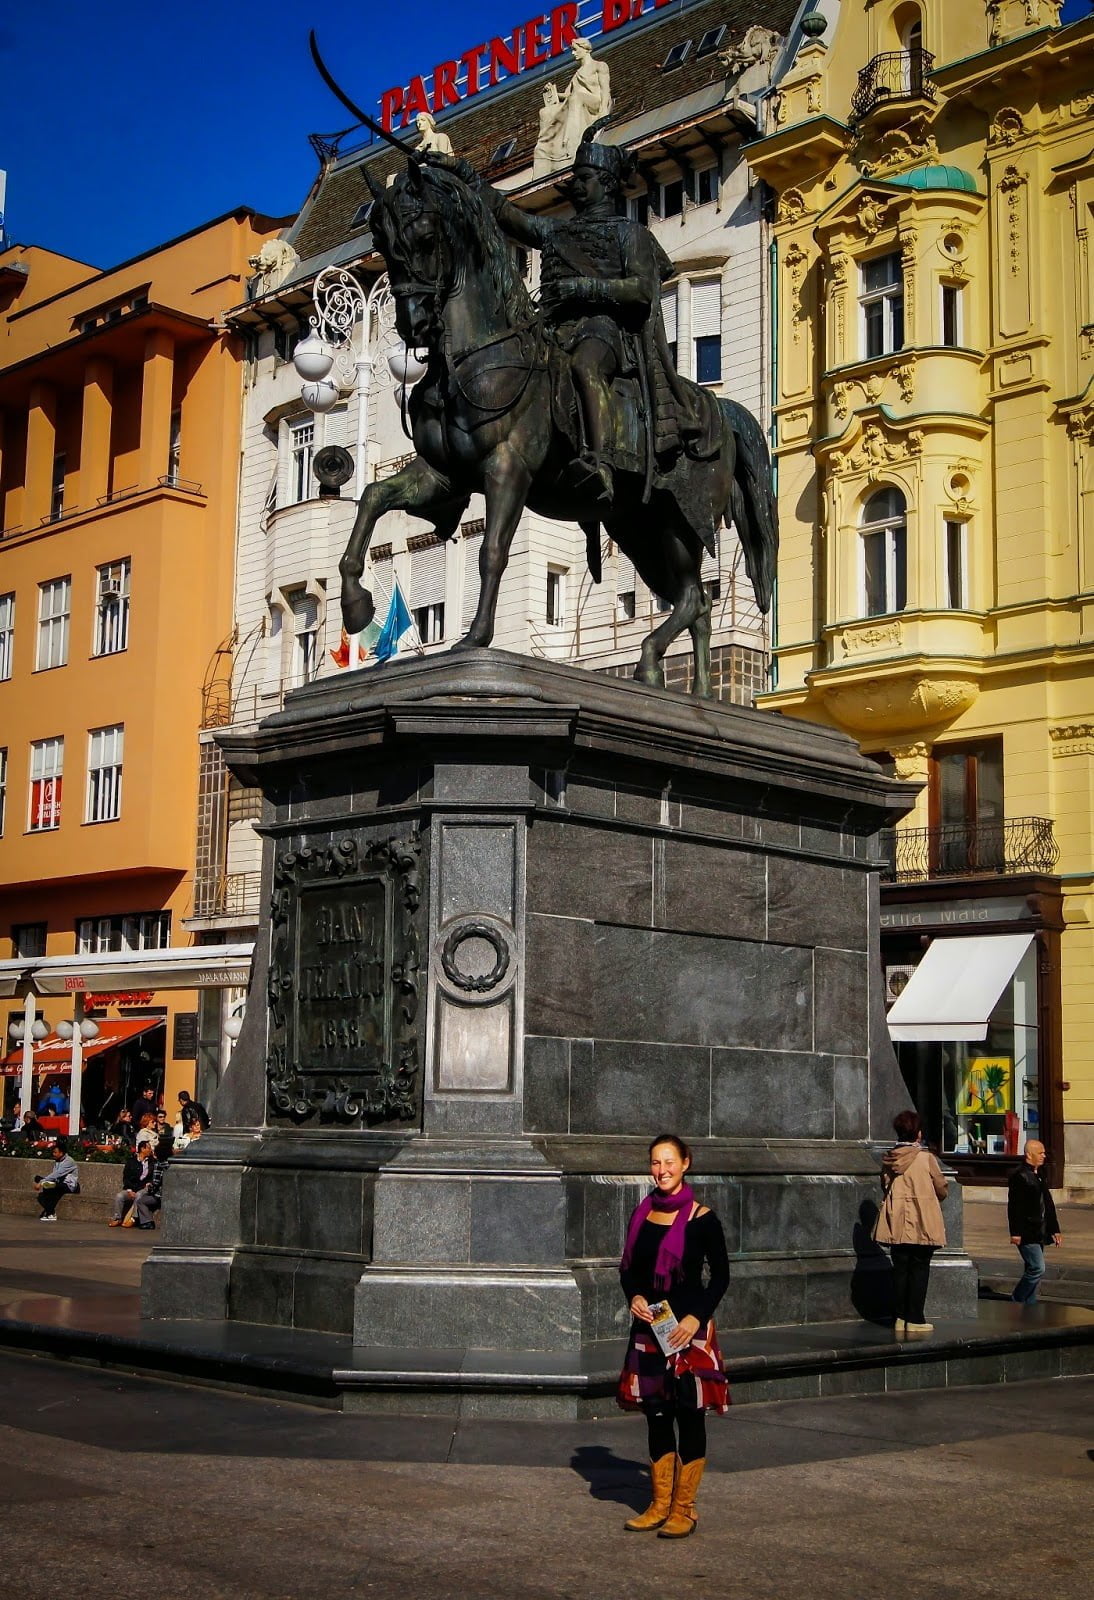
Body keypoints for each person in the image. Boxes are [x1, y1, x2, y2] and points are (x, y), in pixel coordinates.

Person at [428, 125, 707, 509]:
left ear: (606, 185)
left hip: (605, 331)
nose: (575, 186)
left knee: (584, 367)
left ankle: (601, 460)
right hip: (555, 329)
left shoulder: (629, 233)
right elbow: (506, 214)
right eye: (575, 178)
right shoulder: (556, 231)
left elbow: (642, 290)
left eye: (584, 179)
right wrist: (463, 172)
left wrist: (583, 289)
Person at [617, 1134, 729, 1540]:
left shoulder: (703, 1218)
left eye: (668, 1162)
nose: (661, 1170)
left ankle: (685, 1508)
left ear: (686, 1164)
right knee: (657, 1415)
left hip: (687, 1332)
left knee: (689, 1415)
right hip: (651, 1328)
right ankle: (660, 1503)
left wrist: (698, 1318)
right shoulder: (643, 1214)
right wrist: (636, 1296)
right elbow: (628, 1268)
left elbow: (721, 1276)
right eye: (654, 1163)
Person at [873, 1108, 948, 1334]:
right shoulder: (926, 1159)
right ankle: (915, 1317)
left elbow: (884, 1185)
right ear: (918, 1134)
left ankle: (900, 1316)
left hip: (897, 1221)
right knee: (920, 1268)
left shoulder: (890, 1158)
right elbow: (941, 1187)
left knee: (900, 1269)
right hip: (923, 1220)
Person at [1008, 1138, 1063, 1304]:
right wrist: (1015, 1232)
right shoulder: (1020, 1176)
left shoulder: (1039, 1175)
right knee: (1038, 1267)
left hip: (1040, 1229)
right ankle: (1018, 1298)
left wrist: (1055, 1230)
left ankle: (1029, 1304)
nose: (1043, 1156)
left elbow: (1048, 1204)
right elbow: (1014, 1207)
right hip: (1027, 1231)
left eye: (1044, 1153)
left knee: (1031, 1267)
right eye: (1040, 1153)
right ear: (1028, 1155)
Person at [109, 1129, 156, 1227]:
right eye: (148, 1148)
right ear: (142, 1149)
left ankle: (133, 1218)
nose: (150, 1150)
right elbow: (126, 1177)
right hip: (131, 1187)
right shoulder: (131, 1162)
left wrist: (149, 1183)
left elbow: (153, 1176)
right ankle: (117, 1218)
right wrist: (129, 1190)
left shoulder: (152, 1162)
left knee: (139, 1195)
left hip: (144, 1188)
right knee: (120, 1196)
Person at [131, 1137, 171, 1230]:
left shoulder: (159, 1164)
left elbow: (156, 1182)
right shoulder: (170, 1164)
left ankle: (147, 1222)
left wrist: (150, 1187)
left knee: (141, 1201)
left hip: (160, 1195)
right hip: (170, 1193)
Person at [35, 1139, 80, 1220]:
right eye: (53, 1152)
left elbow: (57, 1174)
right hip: (59, 1182)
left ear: (61, 1153)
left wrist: (42, 1182)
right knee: (39, 1180)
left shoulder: (69, 1161)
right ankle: (50, 1212)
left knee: (50, 1187)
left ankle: (50, 1213)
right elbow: (54, 1175)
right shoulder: (57, 1161)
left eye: (55, 1152)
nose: (53, 1154)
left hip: (69, 1185)